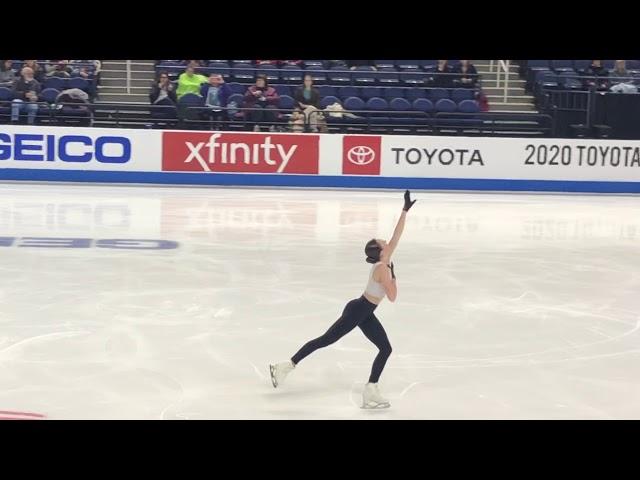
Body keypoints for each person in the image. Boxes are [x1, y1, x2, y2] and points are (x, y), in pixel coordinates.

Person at [269, 190, 418, 409]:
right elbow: (393, 297)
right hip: (359, 310)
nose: (387, 241)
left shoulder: (385, 259)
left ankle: (370, 390)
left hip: (365, 311)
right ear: (380, 250)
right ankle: (285, 366)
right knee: (326, 340)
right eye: (383, 241)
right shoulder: (383, 269)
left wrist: (404, 210)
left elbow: (397, 235)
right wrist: (394, 275)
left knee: (385, 348)